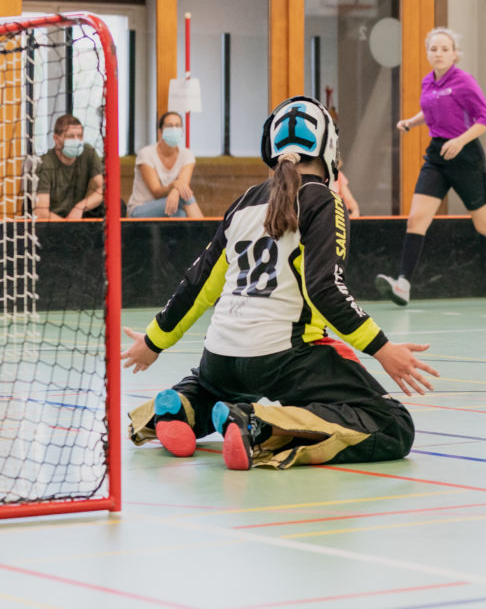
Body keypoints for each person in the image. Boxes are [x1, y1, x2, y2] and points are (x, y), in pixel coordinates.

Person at [121, 96, 439, 470]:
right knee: (393, 424)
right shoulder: (324, 200)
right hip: (284, 356)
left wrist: (154, 341)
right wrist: (383, 349)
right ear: (329, 149)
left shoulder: (243, 202)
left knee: (218, 385)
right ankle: (256, 426)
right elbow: (326, 290)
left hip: (220, 357)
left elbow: (197, 283)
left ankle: (183, 405)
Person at [375, 27, 486, 306]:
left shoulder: (465, 82)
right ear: (428, 53)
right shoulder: (428, 81)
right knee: (416, 219)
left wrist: (460, 142)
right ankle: (403, 284)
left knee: (485, 225)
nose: (438, 53)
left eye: (444, 49)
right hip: (437, 156)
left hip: (465, 157)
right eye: (433, 49)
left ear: (455, 54)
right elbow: (431, 111)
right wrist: (411, 123)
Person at [127, 111, 204, 218]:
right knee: (185, 198)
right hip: (140, 210)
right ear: (160, 132)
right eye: (169, 126)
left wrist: (176, 190)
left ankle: (202, 233)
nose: (174, 129)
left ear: (182, 130)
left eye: (177, 126)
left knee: (180, 213)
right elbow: (156, 192)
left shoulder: (187, 155)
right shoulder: (146, 154)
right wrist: (173, 186)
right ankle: (207, 232)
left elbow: (182, 185)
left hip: (170, 206)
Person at [35, 114, 105, 220]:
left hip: (76, 215)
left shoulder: (88, 153)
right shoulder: (45, 163)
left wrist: (79, 207)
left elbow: (103, 189)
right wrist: (68, 228)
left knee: (117, 204)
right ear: (56, 139)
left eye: (80, 136)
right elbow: (41, 212)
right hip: (51, 221)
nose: (77, 141)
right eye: (71, 136)